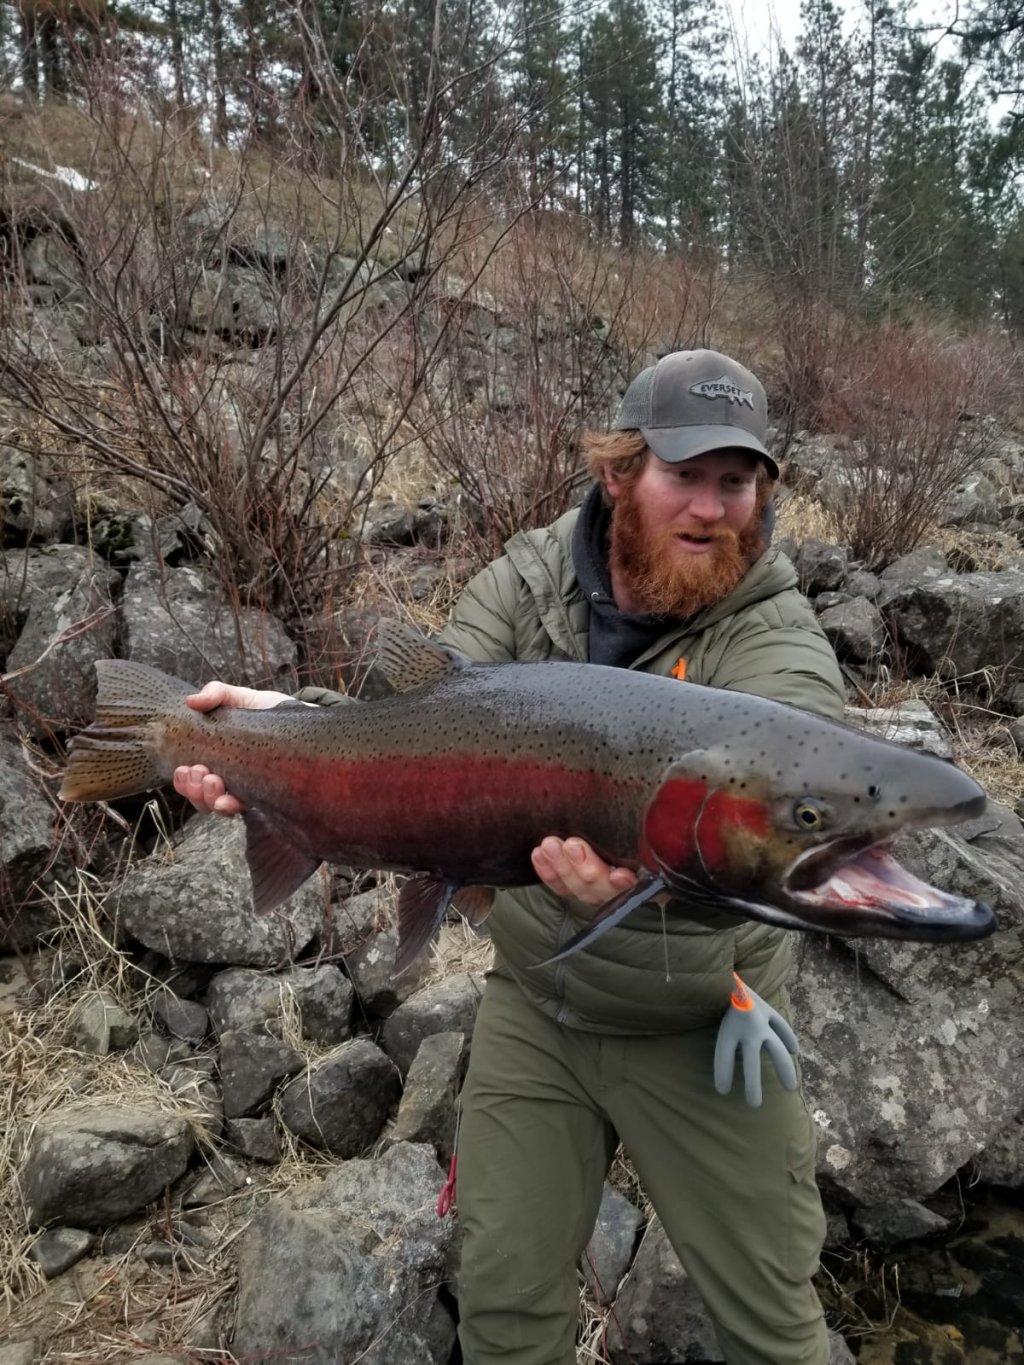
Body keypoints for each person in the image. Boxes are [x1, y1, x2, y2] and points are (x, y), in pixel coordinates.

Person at [173, 349, 847, 1365]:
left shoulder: (776, 643)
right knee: (501, 1307)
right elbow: (418, 733)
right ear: (620, 472)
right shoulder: (531, 578)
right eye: (685, 475)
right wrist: (286, 737)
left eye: (735, 481)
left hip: (704, 1018)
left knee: (771, 1326)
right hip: (540, 1000)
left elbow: (792, 842)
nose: (712, 509)